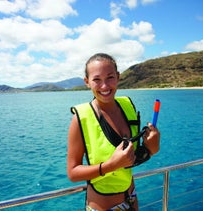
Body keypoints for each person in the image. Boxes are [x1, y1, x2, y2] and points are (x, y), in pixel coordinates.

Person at [67, 53, 160, 211]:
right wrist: (110, 165)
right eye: (97, 79)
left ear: (118, 77)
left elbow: (130, 160)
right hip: (103, 205)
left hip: (131, 196)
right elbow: (73, 172)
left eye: (110, 77)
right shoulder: (81, 118)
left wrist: (152, 148)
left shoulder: (127, 106)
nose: (104, 86)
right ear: (87, 82)